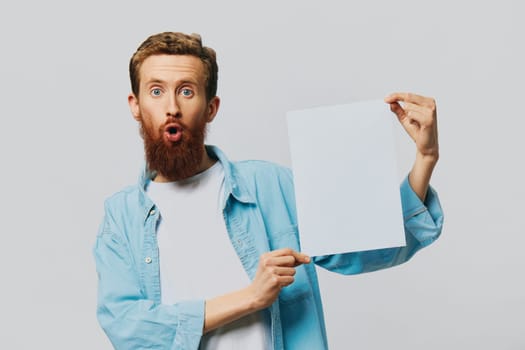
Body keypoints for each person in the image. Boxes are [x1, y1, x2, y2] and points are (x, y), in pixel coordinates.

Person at [93, 32, 443, 350]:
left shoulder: (271, 187)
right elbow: (129, 329)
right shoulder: (121, 217)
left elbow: (372, 247)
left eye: (187, 91)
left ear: (211, 107)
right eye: (156, 91)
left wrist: (425, 159)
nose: (172, 106)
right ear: (135, 105)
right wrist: (252, 297)